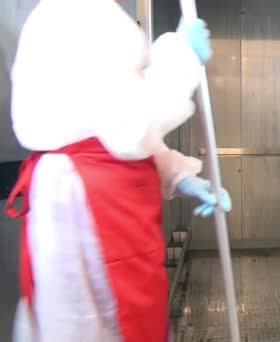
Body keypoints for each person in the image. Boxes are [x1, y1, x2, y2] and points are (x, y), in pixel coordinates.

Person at [5, 0, 230, 341]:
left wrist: (181, 176)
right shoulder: (79, 15)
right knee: (98, 323)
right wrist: (181, 56)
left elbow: (110, 130)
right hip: (90, 207)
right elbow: (131, 127)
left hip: (95, 190)